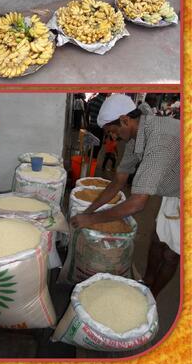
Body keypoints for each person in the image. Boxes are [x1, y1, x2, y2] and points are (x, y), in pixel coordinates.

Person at [70, 95, 180, 297]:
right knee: (158, 240)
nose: (113, 138)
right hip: (174, 189)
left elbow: (137, 203)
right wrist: (88, 211)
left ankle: (149, 297)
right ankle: (145, 283)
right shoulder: (134, 137)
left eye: (112, 132)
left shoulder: (159, 139)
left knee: (171, 254)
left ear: (124, 120)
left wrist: (91, 220)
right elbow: (117, 182)